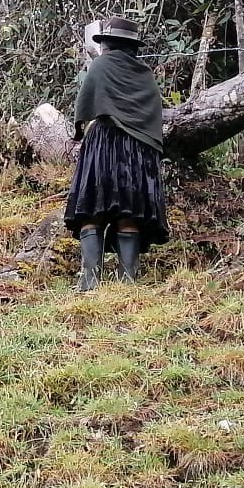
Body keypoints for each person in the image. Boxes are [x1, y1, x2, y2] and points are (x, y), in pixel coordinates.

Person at [64, 17, 169, 291]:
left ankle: (90, 282)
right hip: (138, 151)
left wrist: (79, 131)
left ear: (107, 44)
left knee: (91, 211)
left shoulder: (100, 65)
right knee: (129, 214)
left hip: (104, 144)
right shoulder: (145, 73)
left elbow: (84, 106)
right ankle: (127, 282)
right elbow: (152, 115)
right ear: (132, 46)